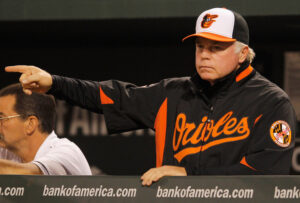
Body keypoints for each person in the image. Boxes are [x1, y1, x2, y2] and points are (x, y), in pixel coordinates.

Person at [5, 8, 296, 184]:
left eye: (216, 48)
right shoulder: (174, 93)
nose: (205, 55)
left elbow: (266, 175)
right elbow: (112, 97)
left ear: (243, 53)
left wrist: (189, 175)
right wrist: (54, 83)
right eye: (200, 47)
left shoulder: (271, 102)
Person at [0, 83, 92, 175]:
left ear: (30, 124)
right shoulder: (6, 152)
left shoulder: (66, 152)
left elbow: (31, 175)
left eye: (1, 118)